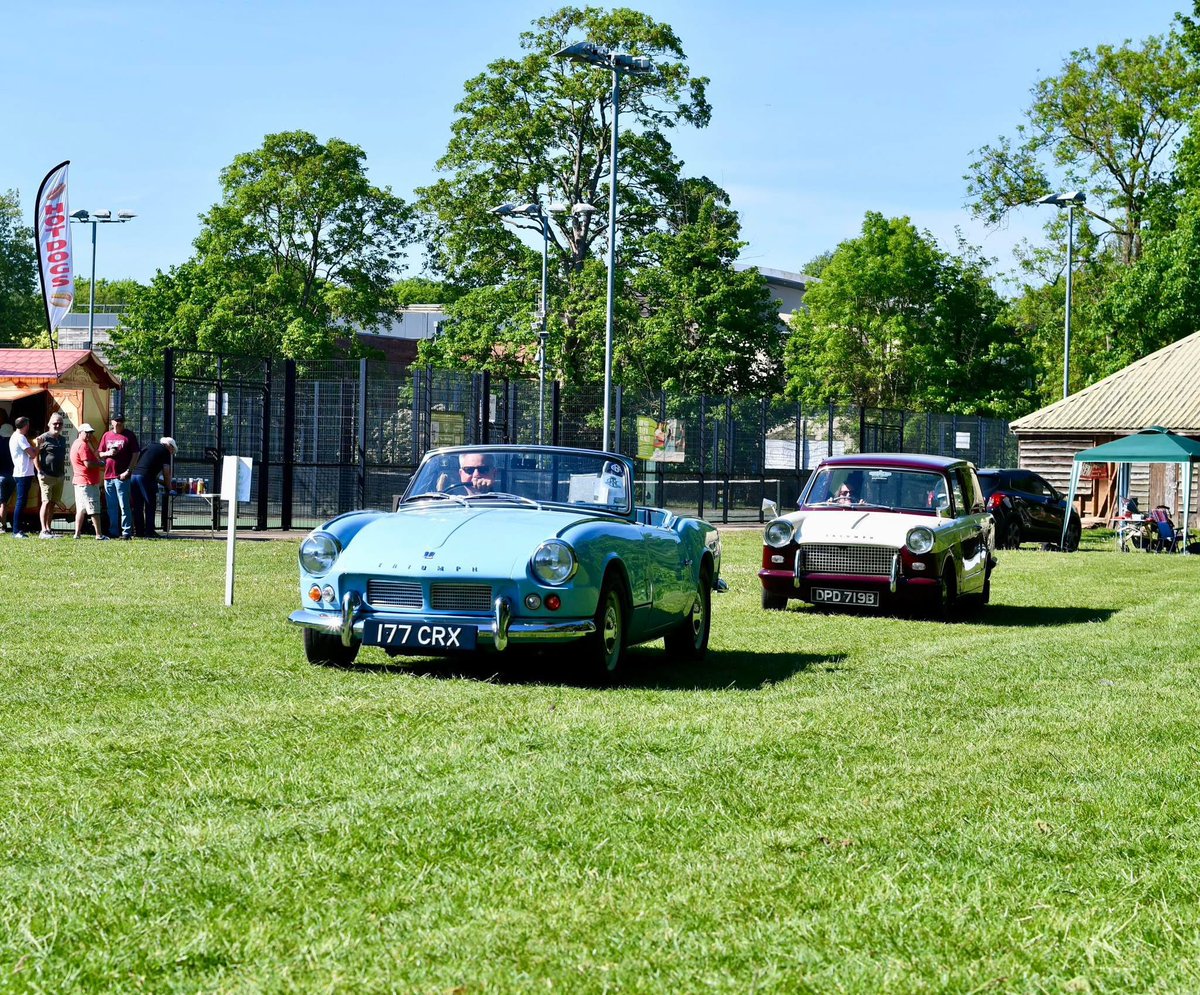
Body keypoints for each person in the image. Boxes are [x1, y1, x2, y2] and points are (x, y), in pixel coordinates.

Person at [99, 413, 140, 539]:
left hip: (122, 476)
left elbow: (136, 453)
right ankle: (113, 531)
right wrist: (108, 453)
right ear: (112, 422)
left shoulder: (129, 435)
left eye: (121, 421)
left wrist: (128, 471)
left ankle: (126, 532)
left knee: (124, 505)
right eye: (116, 421)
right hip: (108, 476)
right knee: (111, 506)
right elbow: (100, 453)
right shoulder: (107, 435)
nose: (118, 423)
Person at [130, 436, 177, 538]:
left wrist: (161, 481)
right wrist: (169, 488)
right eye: (173, 449)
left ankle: (139, 532)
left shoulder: (149, 447)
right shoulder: (165, 451)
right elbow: (166, 472)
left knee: (137, 506)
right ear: (169, 445)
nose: (172, 452)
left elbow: (145, 466)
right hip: (146, 479)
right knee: (150, 505)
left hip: (134, 477)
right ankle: (150, 531)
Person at [70, 424, 108, 541]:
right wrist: (101, 463)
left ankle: (77, 533)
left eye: (91, 432)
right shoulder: (83, 445)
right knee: (94, 509)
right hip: (88, 482)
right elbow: (88, 464)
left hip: (79, 481)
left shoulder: (76, 443)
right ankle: (99, 534)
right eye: (87, 432)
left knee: (81, 509)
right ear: (80, 432)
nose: (89, 435)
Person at [35, 413, 67, 538]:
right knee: (46, 501)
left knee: (53, 503)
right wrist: (39, 470)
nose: (57, 425)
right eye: (55, 423)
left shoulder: (62, 439)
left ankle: (49, 528)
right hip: (46, 475)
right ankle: (43, 531)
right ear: (49, 424)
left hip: (59, 476)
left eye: (60, 423)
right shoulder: (43, 438)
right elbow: (34, 455)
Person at [8, 416, 38, 538]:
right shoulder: (20, 438)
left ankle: (18, 529)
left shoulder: (15, 436)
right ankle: (16, 530)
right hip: (23, 473)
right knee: (21, 502)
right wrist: (38, 445)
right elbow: (32, 455)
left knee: (21, 502)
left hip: (21, 472)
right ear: (26, 426)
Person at [0, 409, 13, 534]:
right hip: (13, 476)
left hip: (1, 476)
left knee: (2, 503)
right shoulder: (14, 442)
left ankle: (2, 526)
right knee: (4, 503)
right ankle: (3, 526)